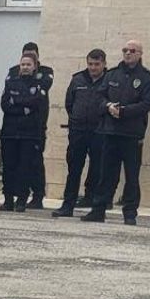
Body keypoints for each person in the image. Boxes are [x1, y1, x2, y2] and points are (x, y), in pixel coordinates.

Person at [81, 40, 150, 226]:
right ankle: (98, 209)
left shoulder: (147, 78)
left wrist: (124, 111)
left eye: (132, 50)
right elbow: (99, 95)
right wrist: (108, 106)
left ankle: (129, 213)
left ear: (140, 54)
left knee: (131, 176)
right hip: (111, 131)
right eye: (125, 50)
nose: (128, 53)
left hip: (132, 133)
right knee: (105, 173)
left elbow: (147, 103)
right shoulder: (113, 74)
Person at [51, 49, 109, 218]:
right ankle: (67, 205)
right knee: (74, 169)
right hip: (78, 130)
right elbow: (69, 103)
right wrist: (76, 119)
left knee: (98, 168)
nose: (93, 68)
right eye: (90, 64)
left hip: (99, 130)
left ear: (104, 64)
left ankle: (95, 206)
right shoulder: (78, 79)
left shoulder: (109, 80)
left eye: (97, 64)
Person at [0, 53, 49, 212]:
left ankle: (21, 200)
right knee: (8, 167)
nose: (25, 67)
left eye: (28, 64)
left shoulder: (39, 85)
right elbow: (5, 105)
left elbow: (37, 104)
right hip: (10, 132)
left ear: (35, 67)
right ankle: (8, 199)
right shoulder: (11, 83)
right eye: (23, 64)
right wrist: (24, 108)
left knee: (25, 168)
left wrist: (17, 102)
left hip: (29, 134)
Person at [7, 42, 54, 209]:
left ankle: (38, 195)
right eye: (26, 55)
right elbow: (8, 97)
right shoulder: (14, 71)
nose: (27, 63)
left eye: (32, 55)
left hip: (37, 123)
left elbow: (41, 90)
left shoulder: (46, 72)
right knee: (16, 163)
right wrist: (23, 103)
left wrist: (20, 100)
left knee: (35, 161)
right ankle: (17, 194)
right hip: (15, 125)